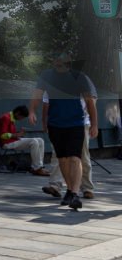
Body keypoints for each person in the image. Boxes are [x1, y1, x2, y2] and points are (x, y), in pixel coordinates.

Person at [30, 51, 97, 210]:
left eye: (63, 61)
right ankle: (69, 189)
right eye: (56, 61)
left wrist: (94, 124)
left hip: (76, 123)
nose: (59, 63)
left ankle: (75, 193)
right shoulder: (46, 76)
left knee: (76, 158)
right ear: (53, 62)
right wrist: (32, 111)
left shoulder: (79, 77)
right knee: (62, 159)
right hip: (56, 124)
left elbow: (90, 102)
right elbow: (38, 96)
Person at [42, 92, 95, 200]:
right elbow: (47, 104)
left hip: (80, 123)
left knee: (82, 155)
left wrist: (94, 124)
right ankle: (55, 185)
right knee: (58, 155)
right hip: (59, 124)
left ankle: (87, 188)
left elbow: (92, 102)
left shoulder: (83, 81)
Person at [0, 105, 49, 176]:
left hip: (12, 141)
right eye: (22, 117)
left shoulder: (11, 118)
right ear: (17, 113)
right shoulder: (6, 118)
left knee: (40, 140)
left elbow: (10, 134)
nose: (21, 119)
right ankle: (37, 168)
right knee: (34, 142)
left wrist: (18, 134)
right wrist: (16, 135)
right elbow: (2, 135)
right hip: (6, 143)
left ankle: (39, 166)